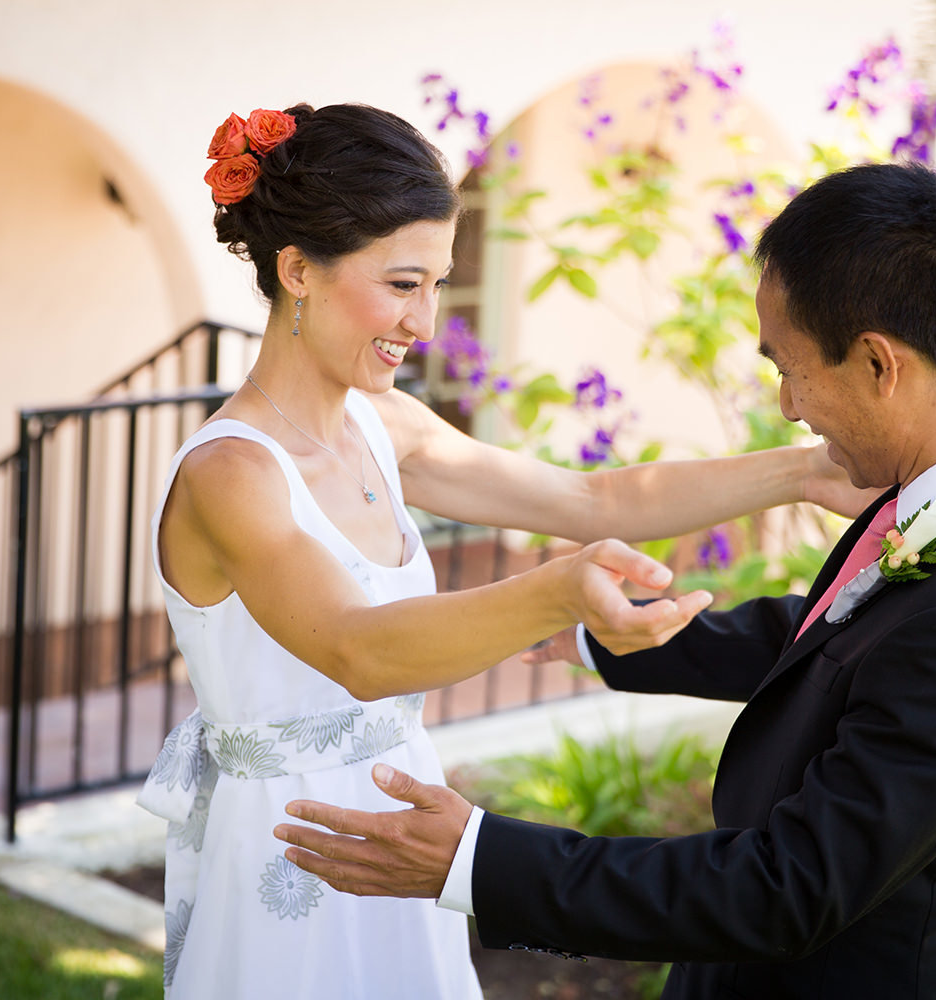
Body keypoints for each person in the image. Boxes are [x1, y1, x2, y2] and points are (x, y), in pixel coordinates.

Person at [273, 161, 936, 999]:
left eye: (788, 367)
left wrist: (479, 860)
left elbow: (787, 888)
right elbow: (841, 640)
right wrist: (615, 637)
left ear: (879, 363)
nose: (787, 407)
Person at [136, 102, 873, 999]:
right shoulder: (232, 473)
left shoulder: (384, 423)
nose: (428, 321)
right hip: (293, 848)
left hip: (406, 821)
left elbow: (587, 497)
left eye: (438, 283)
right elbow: (359, 650)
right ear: (297, 270)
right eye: (404, 284)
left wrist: (802, 472)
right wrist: (557, 592)